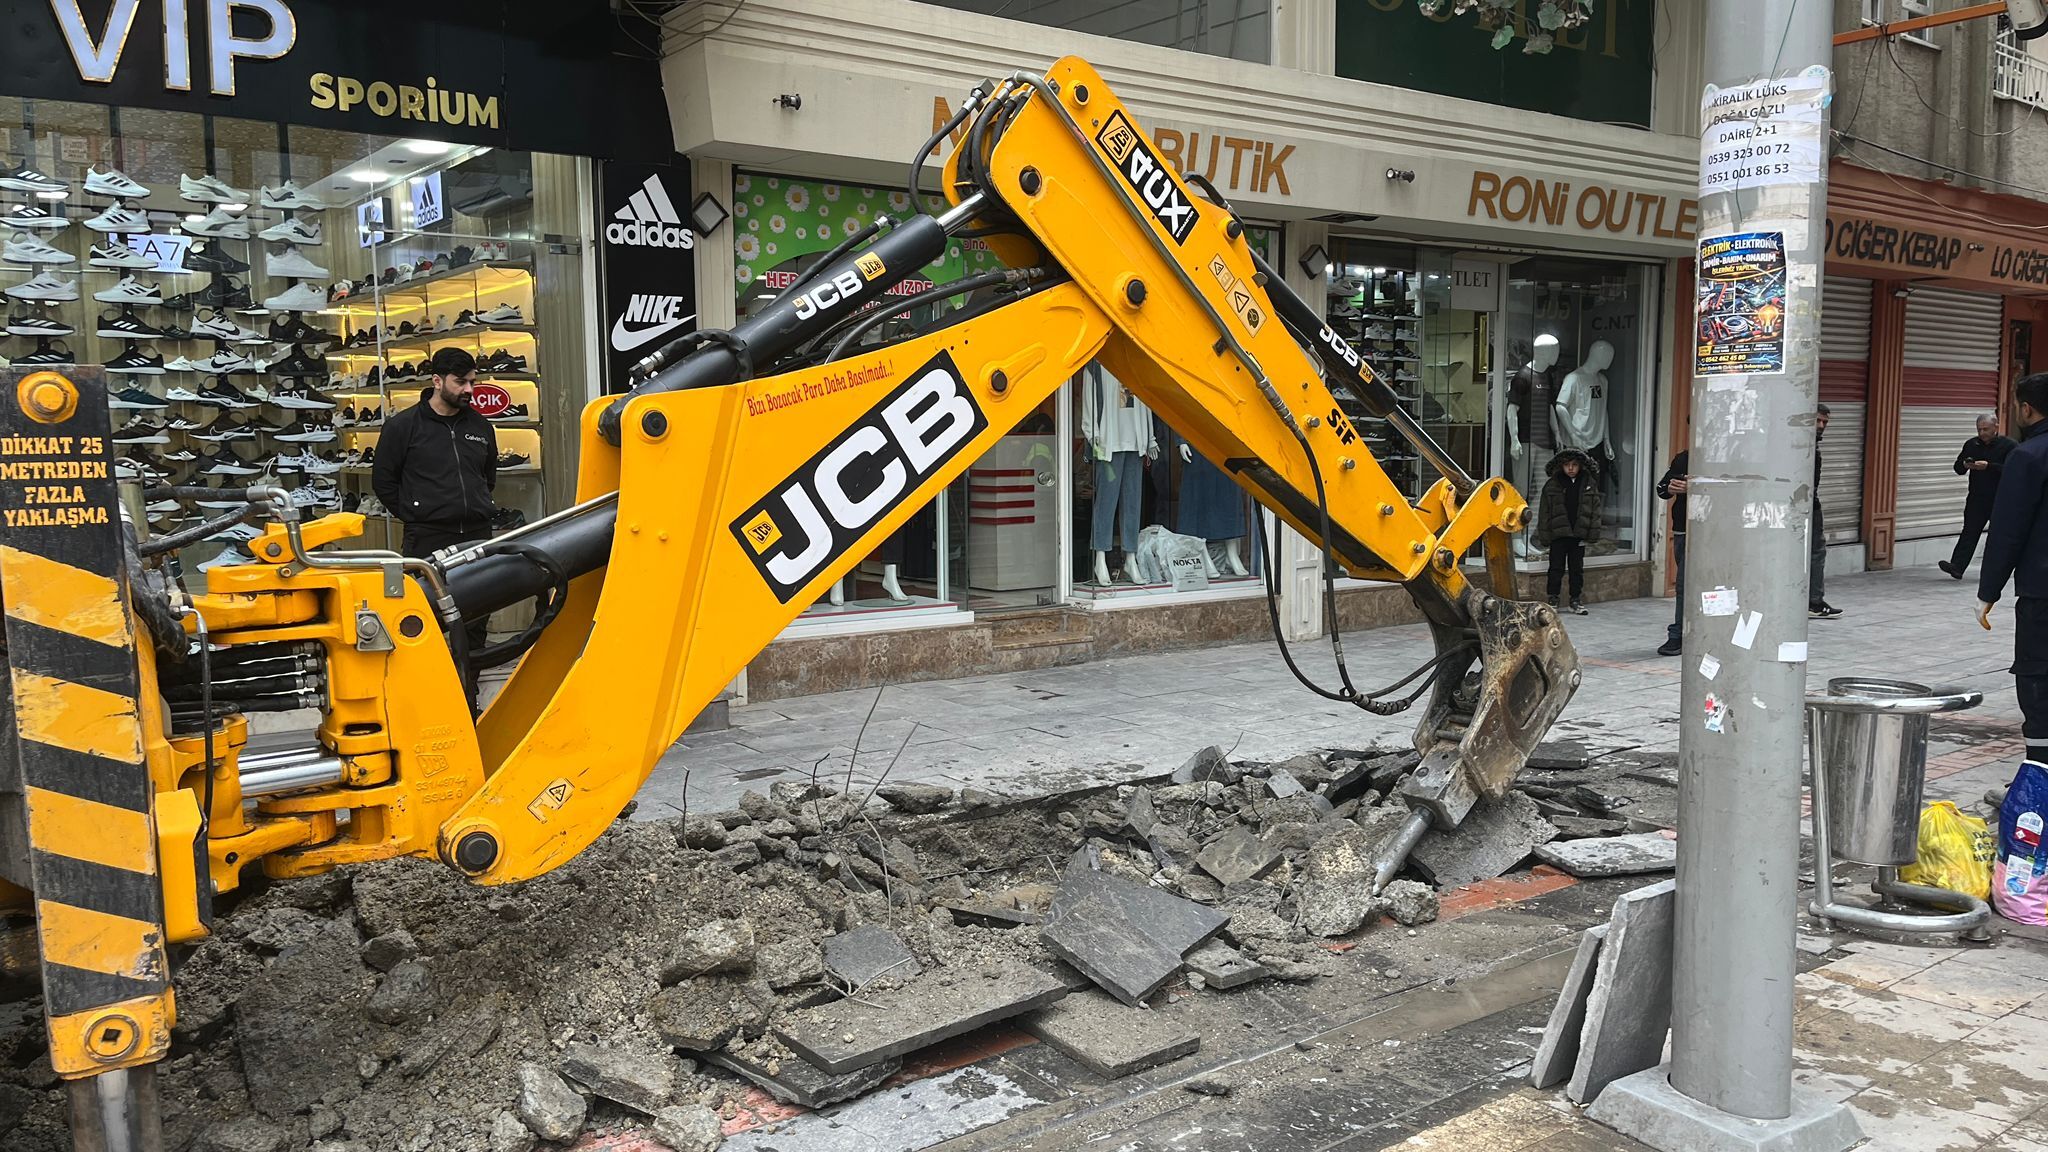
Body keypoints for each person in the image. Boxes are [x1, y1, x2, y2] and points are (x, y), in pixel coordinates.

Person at [371, 345, 498, 706]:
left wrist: (475, 505)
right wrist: (415, 512)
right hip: (427, 537)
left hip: (475, 536)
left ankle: (466, 696)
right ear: (437, 380)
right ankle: (422, 700)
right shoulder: (403, 427)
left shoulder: (479, 426)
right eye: (461, 382)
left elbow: (487, 476)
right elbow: (384, 481)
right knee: (421, 619)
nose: (469, 390)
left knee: (474, 621)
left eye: (472, 381)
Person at [1978, 374, 2048, 767]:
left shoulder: (2029, 455)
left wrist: (1988, 591)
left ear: (2026, 408)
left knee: (2037, 676)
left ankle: (2039, 777)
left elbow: (2008, 530)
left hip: (2042, 591)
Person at [1941, 413, 2017, 579]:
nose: (1982, 433)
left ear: (1996, 427)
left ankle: (2001, 570)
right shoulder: (1972, 444)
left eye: (1986, 429)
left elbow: (2013, 471)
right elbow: (1958, 468)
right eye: (1979, 429)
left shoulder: (2009, 445)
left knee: (1999, 535)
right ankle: (1957, 566)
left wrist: (1989, 466)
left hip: (2000, 499)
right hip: (1976, 497)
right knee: (1969, 531)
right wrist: (1965, 465)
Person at [1536, 447, 1599, 615]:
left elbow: (1594, 511)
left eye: (1574, 465)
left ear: (1581, 466)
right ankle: (1553, 598)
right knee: (1555, 567)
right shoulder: (1552, 485)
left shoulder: (1588, 484)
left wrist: (1591, 534)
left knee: (1576, 569)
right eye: (1567, 465)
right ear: (1560, 466)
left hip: (1578, 535)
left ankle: (1575, 600)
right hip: (1558, 534)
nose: (1570, 468)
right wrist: (1545, 535)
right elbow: (1544, 512)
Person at [1656, 447, 1688, 656]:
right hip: (1682, 529)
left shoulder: (1731, 457)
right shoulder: (1684, 458)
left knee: (1687, 583)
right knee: (1683, 585)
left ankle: (1678, 634)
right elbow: (1662, 489)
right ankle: (1679, 633)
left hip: (1715, 530)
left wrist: (1695, 488)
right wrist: (1672, 487)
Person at [1810, 403, 1842, 619]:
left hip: (1811, 505)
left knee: (1816, 551)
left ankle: (1813, 600)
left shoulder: (1813, 447)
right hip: (1804, 506)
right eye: (1818, 420)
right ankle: (1813, 601)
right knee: (1815, 552)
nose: (1822, 426)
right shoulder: (1803, 448)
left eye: (1825, 422)